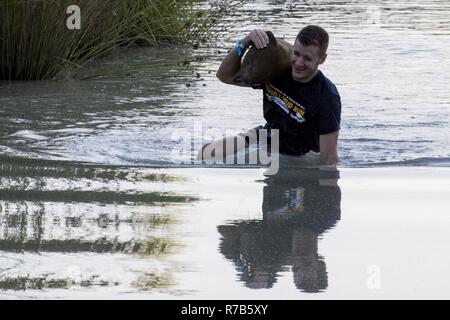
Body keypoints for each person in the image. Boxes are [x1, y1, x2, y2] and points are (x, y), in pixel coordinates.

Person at [197, 25, 341, 165]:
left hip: (300, 155)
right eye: (296, 54)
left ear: (322, 59)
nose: (298, 63)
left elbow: (329, 158)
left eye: (307, 58)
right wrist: (245, 42)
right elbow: (224, 76)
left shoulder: (327, 96)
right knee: (205, 153)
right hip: (263, 137)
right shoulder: (277, 69)